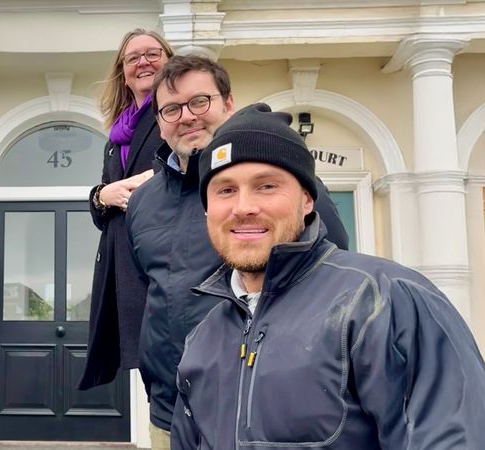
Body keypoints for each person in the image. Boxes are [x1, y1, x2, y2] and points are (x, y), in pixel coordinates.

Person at [170, 103, 485, 449]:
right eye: (225, 190)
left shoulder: (386, 300)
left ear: (306, 201)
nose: (243, 207)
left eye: (267, 186)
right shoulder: (203, 339)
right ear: (207, 209)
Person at [126, 56, 349, 449]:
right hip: (169, 411)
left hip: (262, 410)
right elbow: (152, 294)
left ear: (228, 105)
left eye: (200, 102)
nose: (187, 117)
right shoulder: (142, 202)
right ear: (159, 122)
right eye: (172, 109)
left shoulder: (277, 184)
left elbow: (329, 279)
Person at [79, 28, 175, 391]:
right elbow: (102, 209)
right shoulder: (115, 136)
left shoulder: (174, 117)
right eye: (133, 57)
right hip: (124, 271)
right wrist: (102, 195)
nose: (143, 63)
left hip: (160, 264)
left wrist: (139, 184)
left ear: (169, 61)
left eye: (153, 54)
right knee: (155, 385)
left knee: (175, 382)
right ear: (123, 70)